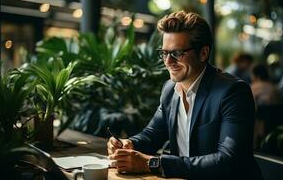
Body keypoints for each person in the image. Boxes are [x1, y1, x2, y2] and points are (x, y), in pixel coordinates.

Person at [107, 11, 263, 180]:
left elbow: (228, 161)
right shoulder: (169, 90)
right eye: (164, 53)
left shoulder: (233, 92)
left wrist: (153, 163)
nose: (168, 61)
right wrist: (129, 144)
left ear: (203, 53)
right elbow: (151, 135)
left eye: (177, 53)